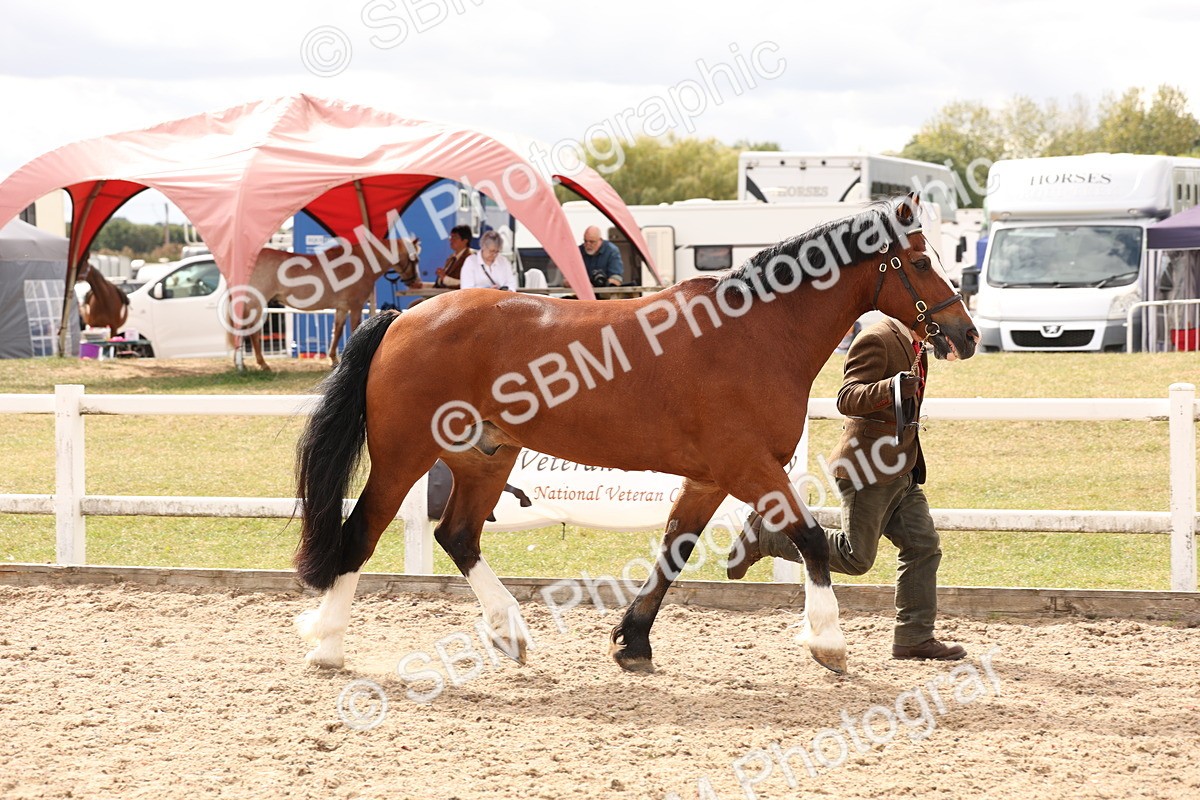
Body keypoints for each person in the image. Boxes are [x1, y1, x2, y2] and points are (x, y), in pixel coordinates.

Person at [727, 317, 966, 662]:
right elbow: (847, 398)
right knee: (856, 558)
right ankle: (769, 535)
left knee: (923, 546)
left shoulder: (916, 345)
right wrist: (891, 388)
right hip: (866, 469)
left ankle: (914, 638)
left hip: (902, 467)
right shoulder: (876, 339)